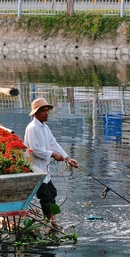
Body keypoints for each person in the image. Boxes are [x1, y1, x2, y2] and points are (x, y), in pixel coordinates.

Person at [23, 97, 78, 229]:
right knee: (46, 196)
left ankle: (51, 219)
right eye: (44, 111)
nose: (47, 113)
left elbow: (53, 143)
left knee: (52, 192)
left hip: (44, 168)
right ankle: (53, 222)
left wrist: (67, 158)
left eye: (47, 111)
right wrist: (52, 154)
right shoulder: (32, 128)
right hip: (35, 167)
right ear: (36, 113)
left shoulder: (45, 128)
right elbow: (35, 150)